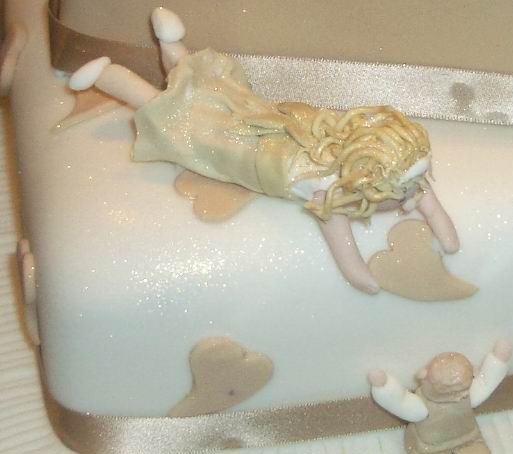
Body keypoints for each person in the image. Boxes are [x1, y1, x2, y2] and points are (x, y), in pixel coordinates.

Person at [68, 8, 459, 295]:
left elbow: (430, 204)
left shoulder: (394, 174)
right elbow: (348, 257)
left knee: (224, 99)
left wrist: (447, 237)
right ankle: (113, 76)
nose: (416, 189)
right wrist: (364, 279)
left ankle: (172, 45)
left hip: (279, 128)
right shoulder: (332, 194)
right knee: (191, 128)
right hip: (255, 157)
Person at [369, 339, 513, 454]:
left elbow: (399, 401)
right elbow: (486, 382)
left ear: (423, 376)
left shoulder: (422, 407)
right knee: (463, 453)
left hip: (442, 444)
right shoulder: (466, 396)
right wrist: (498, 360)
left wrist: (383, 386)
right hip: (454, 441)